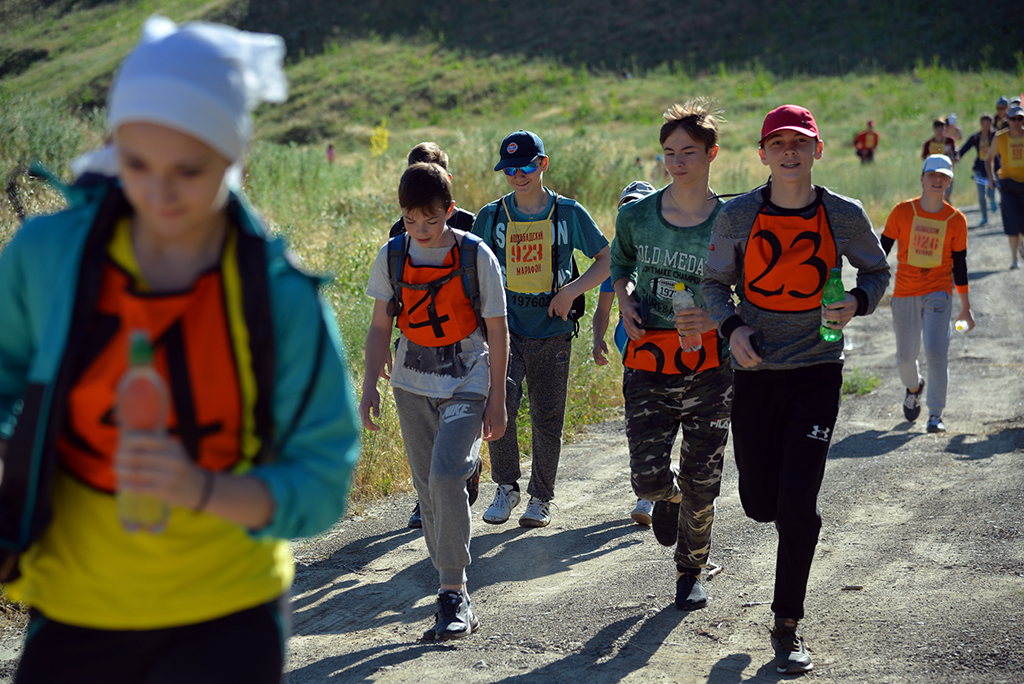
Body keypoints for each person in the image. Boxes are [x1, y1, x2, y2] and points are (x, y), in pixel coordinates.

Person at [0, 17, 360, 683]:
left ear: (235, 158)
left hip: (228, 616)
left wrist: (201, 489)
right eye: (136, 164)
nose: (159, 194)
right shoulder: (46, 257)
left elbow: (322, 481)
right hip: (73, 606)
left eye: (189, 171)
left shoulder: (282, 297)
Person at [701, 104, 890, 674]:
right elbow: (712, 285)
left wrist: (857, 302)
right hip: (756, 373)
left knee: (798, 505)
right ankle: (776, 520)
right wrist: (732, 329)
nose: (789, 152)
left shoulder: (843, 214)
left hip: (816, 369)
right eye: (777, 143)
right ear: (761, 154)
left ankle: (788, 623)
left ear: (817, 150)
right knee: (760, 504)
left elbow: (878, 271)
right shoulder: (737, 216)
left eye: (799, 142)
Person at [359, 163, 508, 640]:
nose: (420, 231)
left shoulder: (475, 255)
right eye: (410, 221)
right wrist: (367, 389)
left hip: (469, 378)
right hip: (411, 381)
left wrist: (498, 399)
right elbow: (381, 325)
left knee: (446, 473)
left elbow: (499, 330)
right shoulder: (393, 255)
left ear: (449, 210)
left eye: (431, 220)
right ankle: (448, 580)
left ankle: (453, 590)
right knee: (427, 488)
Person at [612, 100, 735, 612]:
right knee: (647, 476)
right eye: (668, 152)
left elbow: (753, 289)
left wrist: (715, 316)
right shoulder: (638, 216)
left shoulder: (733, 220)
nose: (677, 162)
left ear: (711, 154)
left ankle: (691, 571)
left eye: (688, 152)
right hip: (648, 363)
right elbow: (619, 265)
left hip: (710, 366)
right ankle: (671, 499)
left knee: (704, 478)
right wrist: (622, 300)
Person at [473, 129, 610, 528]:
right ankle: (506, 487)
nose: (519, 174)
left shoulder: (568, 213)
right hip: (505, 333)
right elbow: (473, 269)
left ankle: (540, 498)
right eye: (510, 168)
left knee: (547, 418)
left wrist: (571, 291)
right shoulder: (492, 216)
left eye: (527, 166)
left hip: (554, 333)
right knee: (500, 407)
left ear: (543, 164)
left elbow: (606, 259)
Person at [386, 142, 477, 530]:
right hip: (416, 342)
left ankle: (462, 477)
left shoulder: (470, 225)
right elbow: (394, 289)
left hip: (463, 344)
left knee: (454, 423)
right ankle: (425, 502)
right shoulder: (398, 232)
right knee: (423, 429)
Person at [882, 155, 974, 434]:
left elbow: (960, 265)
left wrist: (965, 307)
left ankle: (935, 414)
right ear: (922, 178)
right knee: (905, 357)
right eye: (932, 174)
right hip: (905, 291)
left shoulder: (955, 220)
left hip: (938, 292)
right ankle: (914, 387)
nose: (937, 180)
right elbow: (879, 252)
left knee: (936, 350)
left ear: (949, 182)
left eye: (943, 176)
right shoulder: (902, 212)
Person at [592, 180, 656, 526]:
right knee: (638, 423)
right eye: (626, 207)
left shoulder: (668, 242)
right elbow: (603, 307)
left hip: (671, 352)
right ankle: (649, 489)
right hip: (632, 351)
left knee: (661, 421)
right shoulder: (620, 250)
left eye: (640, 205)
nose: (633, 213)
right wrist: (598, 339)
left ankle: (656, 488)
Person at [986, 103, 1024, 269]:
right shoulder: (1000, 137)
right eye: (1013, 118)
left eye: (1020, 118)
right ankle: (1014, 258)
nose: (1017, 121)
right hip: (1008, 185)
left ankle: (1021, 245)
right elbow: (988, 159)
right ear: (1007, 119)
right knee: (1012, 225)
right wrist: (991, 178)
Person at [957, 114, 999, 225]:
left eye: (987, 125)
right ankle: (984, 217)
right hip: (980, 167)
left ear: (991, 124)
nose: (985, 127)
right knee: (981, 193)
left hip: (994, 167)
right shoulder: (976, 137)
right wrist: (958, 156)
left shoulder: (996, 136)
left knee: (991, 190)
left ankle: (992, 198)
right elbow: (964, 148)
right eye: (983, 125)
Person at [922, 119, 958, 200]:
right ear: (933, 129)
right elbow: (924, 156)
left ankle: (948, 210)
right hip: (932, 172)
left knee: (946, 196)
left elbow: (955, 153)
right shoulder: (929, 143)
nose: (939, 131)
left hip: (947, 171)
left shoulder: (949, 141)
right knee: (933, 196)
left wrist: (954, 159)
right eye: (937, 128)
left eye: (941, 128)